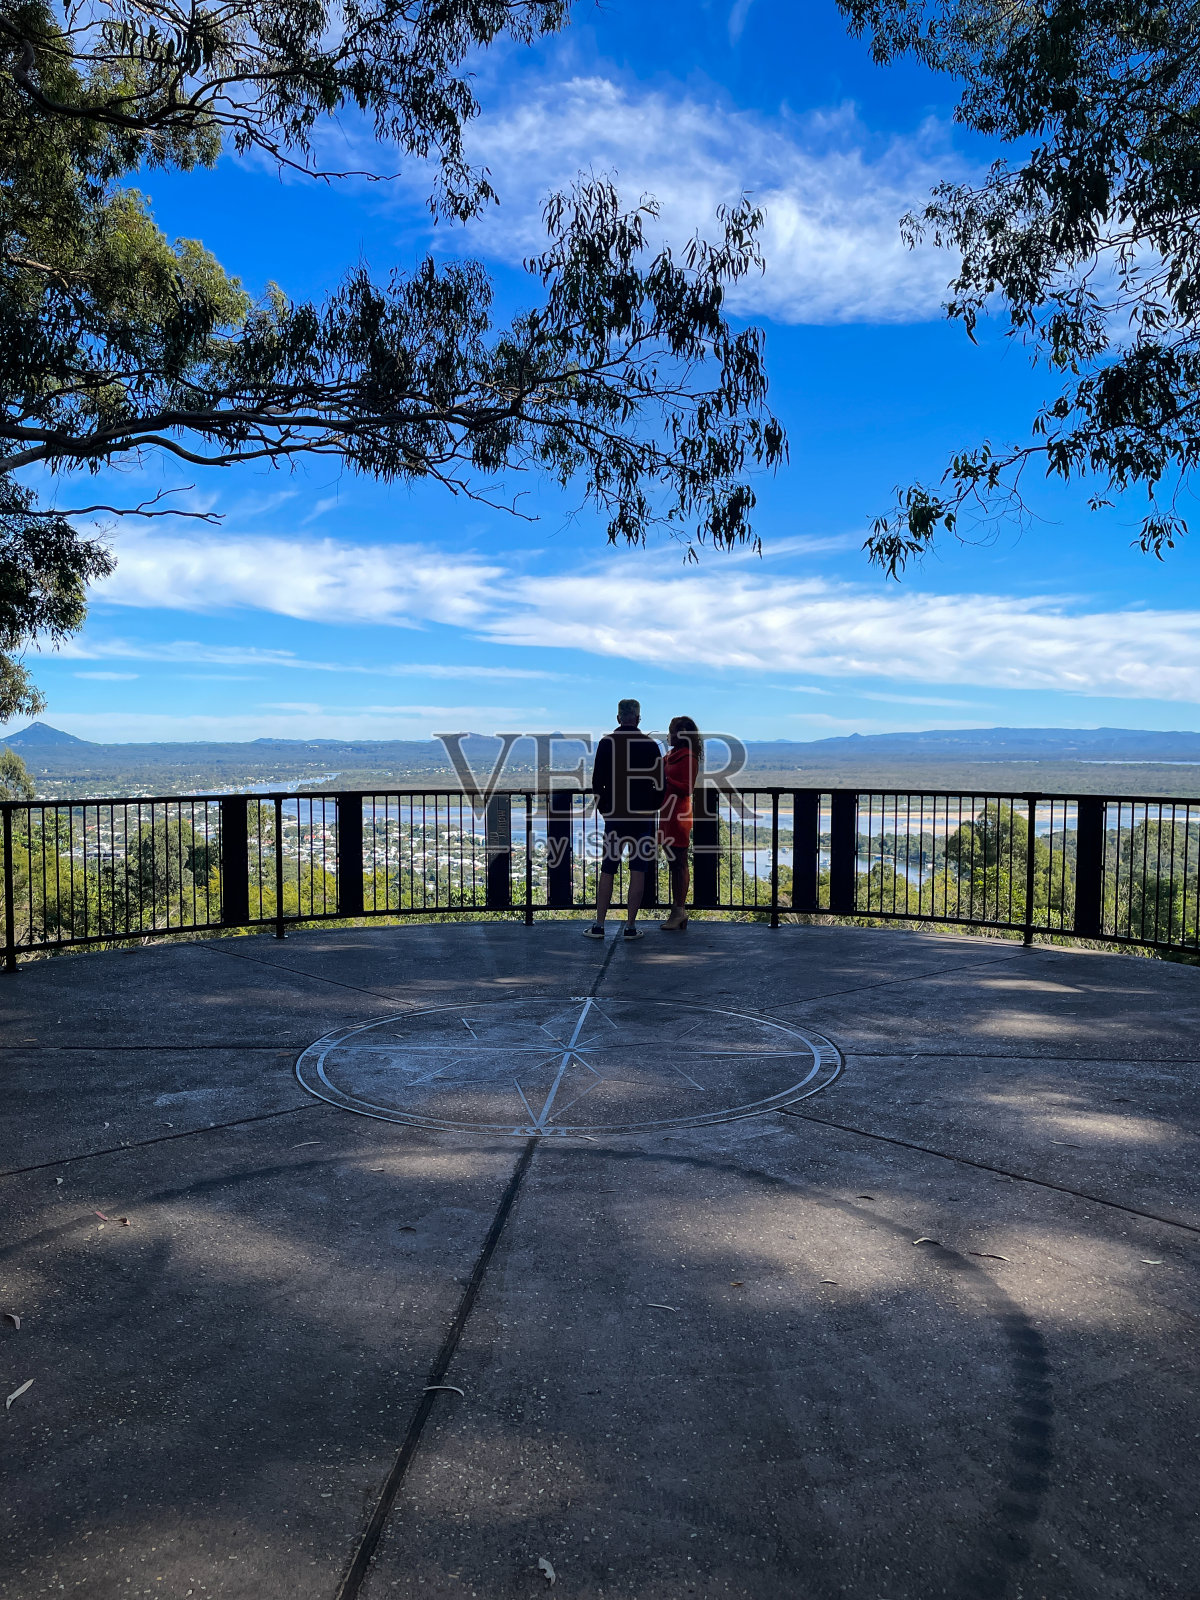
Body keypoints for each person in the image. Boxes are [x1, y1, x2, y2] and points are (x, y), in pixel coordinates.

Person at [584, 698, 663, 941]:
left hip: (615, 816)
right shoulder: (650, 745)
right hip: (642, 818)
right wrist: (652, 807)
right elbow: (660, 784)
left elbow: (597, 782)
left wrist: (605, 809)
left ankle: (599, 925)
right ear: (638, 718)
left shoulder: (606, 743)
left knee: (608, 868)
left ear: (618, 718)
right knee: (638, 869)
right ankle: (630, 926)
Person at [658, 716, 702, 931]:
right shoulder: (672, 755)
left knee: (679, 862)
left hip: (679, 815)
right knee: (673, 862)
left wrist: (666, 780)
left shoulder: (689, 757)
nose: (668, 735)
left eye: (671, 731)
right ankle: (677, 911)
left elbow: (687, 788)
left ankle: (679, 910)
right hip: (667, 812)